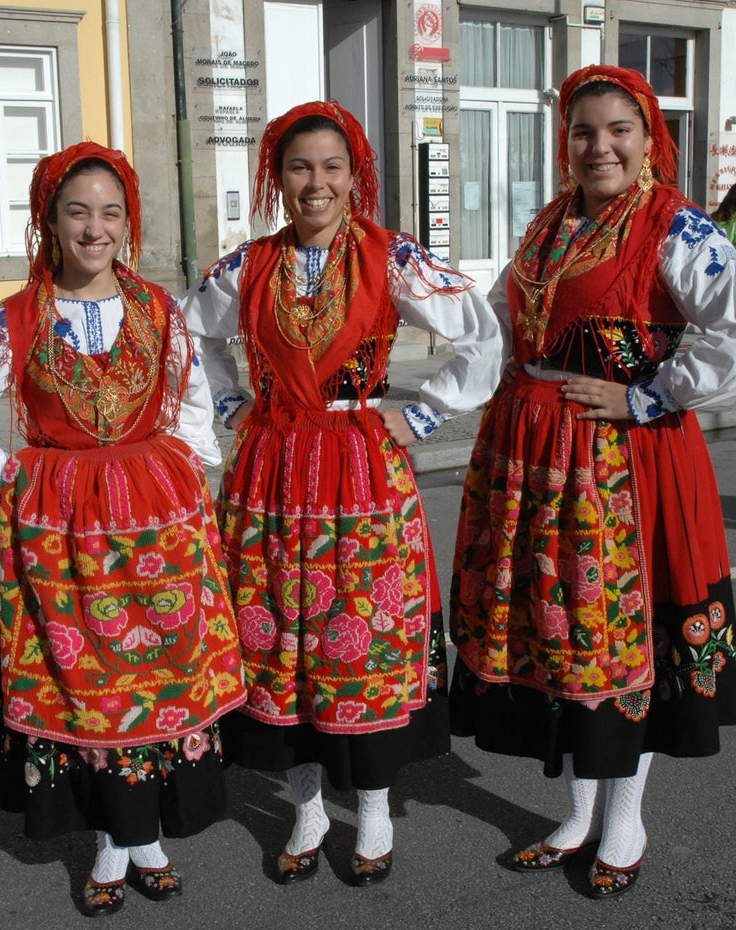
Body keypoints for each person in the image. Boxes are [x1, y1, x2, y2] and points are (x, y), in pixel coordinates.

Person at [448, 65, 736, 900]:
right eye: (582, 132)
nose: (599, 146)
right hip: (533, 461)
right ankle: (578, 811)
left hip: (620, 462)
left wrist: (646, 394)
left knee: (617, 638)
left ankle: (623, 818)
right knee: (564, 639)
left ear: (647, 139)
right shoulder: (548, 223)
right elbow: (495, 319)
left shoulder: (677, 226)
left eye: (616, 130)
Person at [0, 143, 246, 917]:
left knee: (159, 674)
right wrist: (10, 476)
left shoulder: (158, 310)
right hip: (61, 529)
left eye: (110, 213)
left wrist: (193, 473)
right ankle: (109, 842)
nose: (94, 229)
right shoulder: (16, 320)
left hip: (158, 518)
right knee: (87, 683)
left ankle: (149, 838)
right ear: (49, 221)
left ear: (127, 224)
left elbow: (191, 398)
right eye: (77, 212)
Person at [180, 101, 503, 887]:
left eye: (330, 166)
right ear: (277, 179)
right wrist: (229, 406)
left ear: (354, 174)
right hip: (270, 470)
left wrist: (423, 411)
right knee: (281, 642)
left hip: (360, 467)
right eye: (298, 168)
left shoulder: (391, 257)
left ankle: (378, 812)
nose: (314, 183)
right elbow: (186, 337)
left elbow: (482, 333)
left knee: (359, 638)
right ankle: (308, 807)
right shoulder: (246, 266)